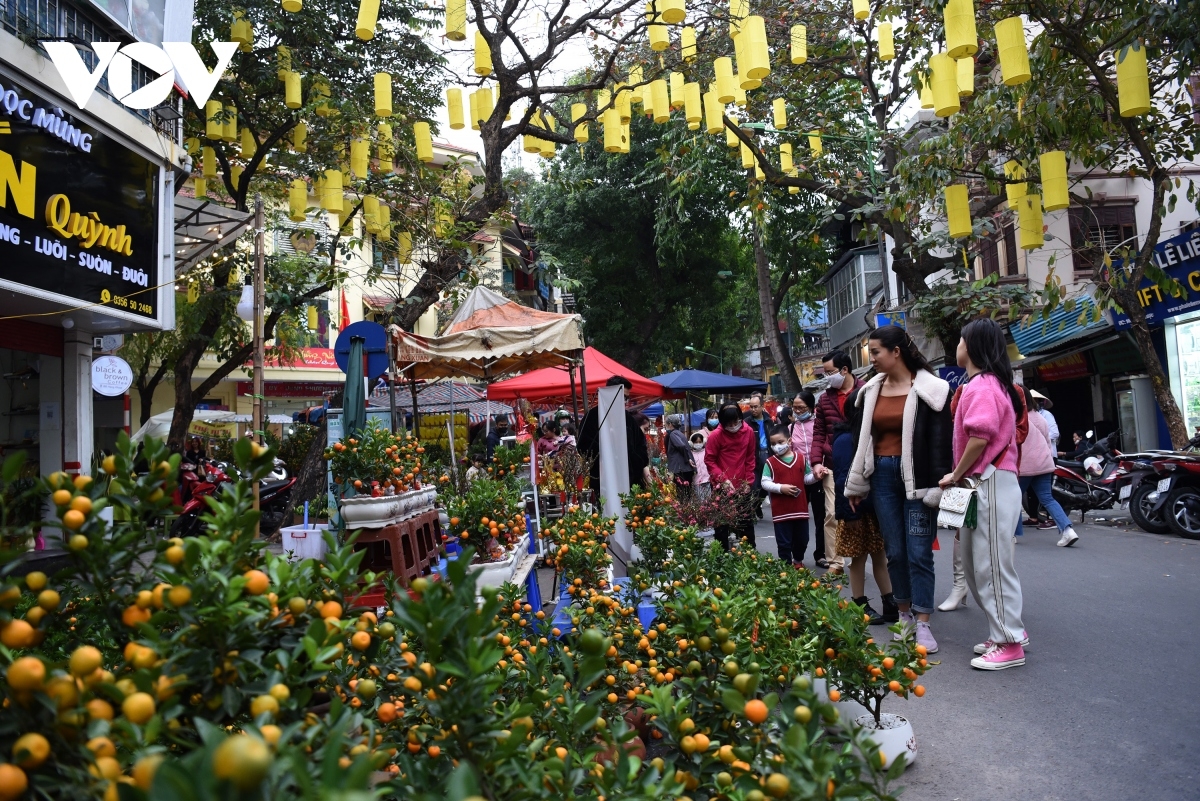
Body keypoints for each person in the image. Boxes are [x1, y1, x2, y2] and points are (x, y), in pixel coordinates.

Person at [845, 326, 952, 655]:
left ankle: (923, 621)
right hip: (882, 478)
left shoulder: (932, 390)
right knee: (895, 552)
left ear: (897, 351)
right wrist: (857, 482)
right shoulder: (870, 391)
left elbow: (940, 444)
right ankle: (903, 614)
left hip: (918, 482)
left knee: (919, 553)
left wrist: (937, 485)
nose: (871, 358)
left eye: (876, 352)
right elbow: (862, 440)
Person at [939, 318, 1028, 671]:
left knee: (990, 564)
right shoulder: (985, 384)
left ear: (972, 346)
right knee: (982, 565)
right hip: (987, 482)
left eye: (960, 340)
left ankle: (1009, 641)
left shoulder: (982, 386)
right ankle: (1003, 632)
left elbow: (979, 437)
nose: (957, 346)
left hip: (988, 480)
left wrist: (955, 474)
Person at [831, 391, 897, 625]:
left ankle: (890, 601)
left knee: (880, 557)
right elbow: (842, 480)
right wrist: (850, 515)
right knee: (857, 560)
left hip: (873, 509)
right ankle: (859, 603)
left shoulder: (869, 434)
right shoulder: (845, 439)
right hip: (855, 511)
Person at [811, 350, 865, 574]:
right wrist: (815, 462)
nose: (827, 377)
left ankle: (864, 556)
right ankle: (835, 562)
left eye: (830, 372)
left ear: (845, 370)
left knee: (865, 513)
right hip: (833, 464)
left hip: (863, 462)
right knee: (832, 514)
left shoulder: (866, 391)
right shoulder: (824, 399)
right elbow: (819, 433)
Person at [1015, 386, 1079, 547]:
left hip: (1024, 466)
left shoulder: (1016, 418)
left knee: (1013, 499)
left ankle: (1011, 534)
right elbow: (1047, 441)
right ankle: (1068, 530)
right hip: (1044, 463)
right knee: (1048, 498)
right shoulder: (1041, 417)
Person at [578, 376, 648, 498]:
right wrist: (609, 455)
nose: (626, 402)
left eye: (627, 398)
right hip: (603, 480)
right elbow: (583, 446)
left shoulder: (628, 419)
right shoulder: (592, 417)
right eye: (623, 397)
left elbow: (641, 446)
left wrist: (636, 462)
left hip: (630, 481)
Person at [761, 424, 817, 567]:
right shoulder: (770, 463)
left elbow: (807, 478)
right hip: (781, 512)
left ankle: (798, 560)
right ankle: (785, 567)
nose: (776, 446)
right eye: (773, 443)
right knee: (784, 542)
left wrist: (816, 477)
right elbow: (765, 483)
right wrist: (781, 488)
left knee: (802, 539)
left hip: (800, 510)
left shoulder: (801, 459)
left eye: (780, 442)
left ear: (789, 441)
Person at [704, 403, 758, 551]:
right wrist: (723, 480)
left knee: (745, 523)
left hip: (742, 485)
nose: (734, 426)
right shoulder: (716, 435)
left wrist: (748, 482)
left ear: (741, 418)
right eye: (729, 424)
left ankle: (750, 555)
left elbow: (750, 458)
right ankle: (721, 557)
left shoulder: (748, 432)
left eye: (736, 422)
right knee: (722, 525)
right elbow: (710, 460)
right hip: (722, 486)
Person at [790, 391, 828, 566]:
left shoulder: (820, 425)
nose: (798, 411)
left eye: (802, 408)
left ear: (811, 407)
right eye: (795, 408)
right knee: (798, 516)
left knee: (821, 517)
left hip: (819, 474)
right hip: (799, 477)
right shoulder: (791, 427)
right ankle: (797, 556)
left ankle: (821, 554)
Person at [743, 393, 771, 519]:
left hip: (768, 455)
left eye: (756, 407)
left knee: (766, 487)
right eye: (751, 407)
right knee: (755, 486)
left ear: (762, 406)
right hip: (753, 457)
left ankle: (757, 505)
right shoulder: (746, 423)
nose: (753, 409)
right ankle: (753, 507)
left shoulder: (769, 420)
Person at [664, 414, 696, 499]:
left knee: (682, 495)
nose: (665, 426)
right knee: (687, 494)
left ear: (670, 424)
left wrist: (687, 459)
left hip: (680, 468)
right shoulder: (680, 434)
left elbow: (681, 446)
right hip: (685, 468)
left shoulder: (673, 434)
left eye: (666, 424)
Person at [690, 432, 711, 498]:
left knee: (709, 500)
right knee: (701, 501)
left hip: (707, 479)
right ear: (692, 443)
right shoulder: (690, 455)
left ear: (703, 442)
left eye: (700, 442)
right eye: (696, 442)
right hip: (697, 480)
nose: (698, 444)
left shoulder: (707, 452)